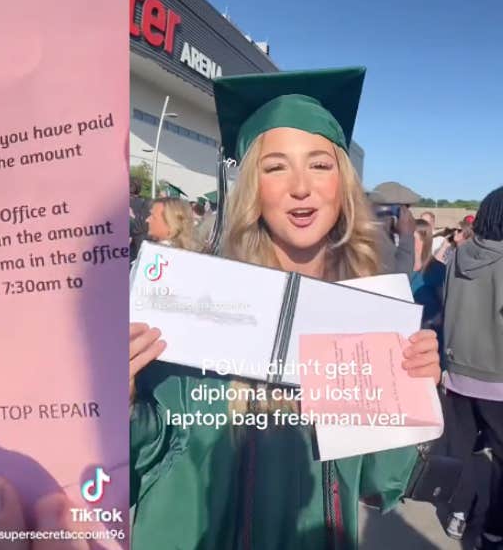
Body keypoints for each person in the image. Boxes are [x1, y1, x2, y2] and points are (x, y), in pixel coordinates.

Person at [128, 68, 440, 549]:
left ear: (343, 184)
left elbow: (380, 484)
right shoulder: (196, 301)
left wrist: (415, 396)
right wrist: (123, 399)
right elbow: (146, 455)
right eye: (275, 167)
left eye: (319, 165)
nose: (300, 186)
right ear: (254, 187)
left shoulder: (368, 313)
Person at [440, 187, 503, 545]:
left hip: (458, 374)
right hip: (498, 379)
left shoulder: (458, 256)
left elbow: (446, 305)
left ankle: (459, 514)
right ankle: (494, 529)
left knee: (459, 450)